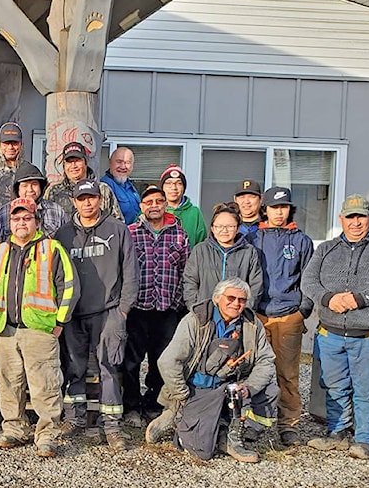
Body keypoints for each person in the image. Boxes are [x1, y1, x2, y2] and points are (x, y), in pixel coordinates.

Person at [302, 194, 369, 460]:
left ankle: (366, 440)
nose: (356, 222)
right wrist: (329, 299)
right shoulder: (326, 249)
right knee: (334, 386)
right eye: (350, 217)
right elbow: (309, 281)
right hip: (331, 333)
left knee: (366, 388)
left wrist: (358, 299)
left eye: (361, 216)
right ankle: (337, 433)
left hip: (367, 334)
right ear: (341, 219)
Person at [0, 198, 77, 458]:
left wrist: (60, 321)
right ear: (10, 223)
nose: (21, 223)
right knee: (8, 383)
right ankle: (14, 429)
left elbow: (70, 287)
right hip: (5, 331)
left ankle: (47, 435)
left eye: (26, 218)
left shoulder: (52, 248)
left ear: (36, 221)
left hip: (40, 330)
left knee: (45, 384)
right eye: (16, 219)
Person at [146, 279, 278, 464]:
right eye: (231, 298)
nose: (236, 303)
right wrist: (182, 395)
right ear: (217, 298)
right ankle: (175, 415)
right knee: (202, 452)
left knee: (270, 389)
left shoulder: (252, 323)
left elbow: (266, 360)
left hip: (229, 388)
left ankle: (234, 436)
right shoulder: (195, 320)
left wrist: (249, 387)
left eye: (242, 299)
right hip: (196, 391)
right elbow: (168, 361)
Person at [53, 179, 138, 448]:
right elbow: (55, 276)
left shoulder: (118, 229)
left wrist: (124, 310)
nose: (87, 202)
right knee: (73, 368)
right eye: (82, 198)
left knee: (109, 367)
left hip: (109, 312)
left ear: (100, 200)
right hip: (74, 315)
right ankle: (75, 419)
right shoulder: (62, 235)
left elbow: (131, 273)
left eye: (92, 197)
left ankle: (111, 426)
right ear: (74, 202)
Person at [250, 186, 314, 446]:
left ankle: (288, 425)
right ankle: (254, 422)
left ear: (290, 209)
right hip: (259, 315)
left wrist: (303, 312)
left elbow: (309, 280)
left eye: (284, 207)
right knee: (256, 372)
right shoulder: (252, 238)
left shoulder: (301, 240)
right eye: (275, 207)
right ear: (265, 209)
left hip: (289, 316)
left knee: (287, 374)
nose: (279, 212)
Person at [122, 184, 191, 426]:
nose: (154, 206)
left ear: (165, 204)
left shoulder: (179, 234)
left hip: (167, 309)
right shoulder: (130, 233)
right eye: (149, 202)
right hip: (137, 309)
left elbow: (187, 271)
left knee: (161, 360)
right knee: (130, 361)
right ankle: (130, 406)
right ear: (141, 206)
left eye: (158, 201)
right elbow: (123, 271)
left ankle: (153, 403)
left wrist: (179, 302)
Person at [183, 202, 263, 309]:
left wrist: (245, 309)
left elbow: (256, 285)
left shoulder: (248, 251)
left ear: (238, 228)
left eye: (230, 226)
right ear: (212, 228)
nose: (224, 230)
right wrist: (196, 308)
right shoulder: (200, 250)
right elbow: (190, 281)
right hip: (204, 313)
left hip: (237, 313)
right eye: (219, 226)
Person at [0, 163, 69, 248]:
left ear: (41, 186)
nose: (30, 190)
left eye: (34, 184)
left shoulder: (56, 211)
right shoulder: (2, 214)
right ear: (17, 189)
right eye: (24, 186)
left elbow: (66, 244)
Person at [44, 141, 122, 220]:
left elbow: (118, 223)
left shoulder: (103, 190)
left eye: (77, 161)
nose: (73, 166)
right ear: (64, 165)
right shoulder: (53, 191)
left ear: (85, 162)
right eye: (69, 162)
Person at [160, 165, 206, 247]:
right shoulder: (152, 210)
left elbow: (202, 243)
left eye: (179, 183)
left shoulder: (194, 213)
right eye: (168, 183)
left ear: (184, 188)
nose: (174, 187)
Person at [101, 146, 141, 224]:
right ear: (110, 162)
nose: (123, 166)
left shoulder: (130, 186)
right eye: (119, 162)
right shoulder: (105, 187)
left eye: (127, 163)